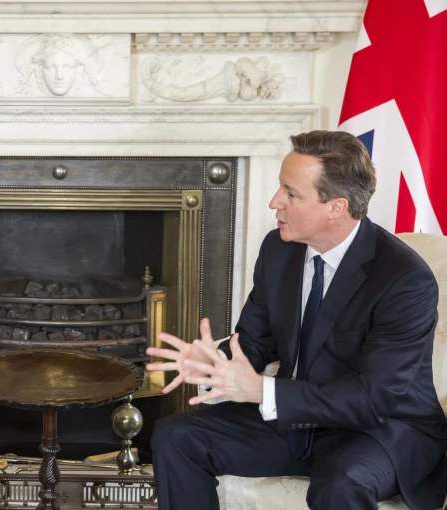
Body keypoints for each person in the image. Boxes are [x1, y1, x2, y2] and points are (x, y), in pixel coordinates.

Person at [147, 130, 447, 510]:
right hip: (296, 418)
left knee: (340, 482)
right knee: (175, 437)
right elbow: (255, 340)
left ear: (336, 207)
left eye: (291, 193)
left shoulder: (404, 279)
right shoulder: (279, 250)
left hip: (383, 429)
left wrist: (261, 391)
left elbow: (373, 399)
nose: (275, 203)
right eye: (280, 188)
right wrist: (216, 363)